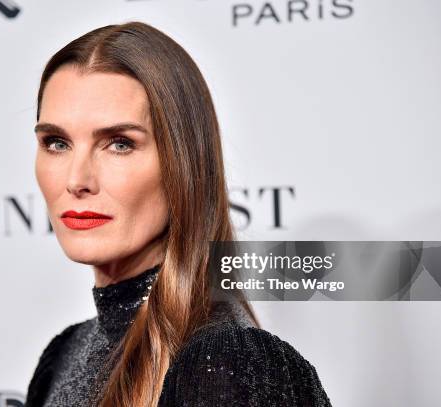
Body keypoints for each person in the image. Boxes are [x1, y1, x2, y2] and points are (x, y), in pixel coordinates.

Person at [25, 21, 332, 407]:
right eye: (56, 142)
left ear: (183, 164)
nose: (77, 179)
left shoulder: (227, 364)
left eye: (119, 144)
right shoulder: (65, 354)